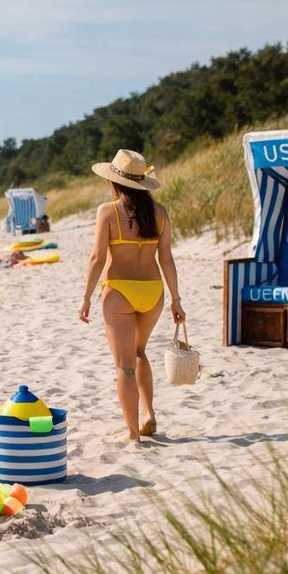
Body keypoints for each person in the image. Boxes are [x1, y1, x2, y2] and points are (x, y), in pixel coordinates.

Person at [79, 149, 185, 444]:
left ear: (114, 182)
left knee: (124, 366)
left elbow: (97, 258)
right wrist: (176, 299)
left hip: (119, 292)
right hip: (152, 291)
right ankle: (148, 412)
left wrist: (86, 297)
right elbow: (166, 259)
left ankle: (133, 434)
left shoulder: (108, 211)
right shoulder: (160, 213)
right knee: (139, 353)